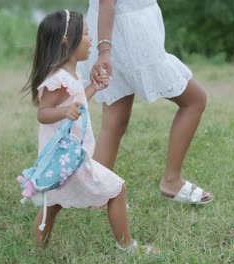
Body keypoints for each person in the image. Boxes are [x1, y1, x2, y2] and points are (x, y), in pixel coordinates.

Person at [22, 10, 154, 253]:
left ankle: (37, 252)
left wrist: (94, 86)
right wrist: (63, 112)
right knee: (117, 189)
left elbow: (77, 99)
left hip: (69, 158)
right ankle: (128, 247)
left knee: (51, 205)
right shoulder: (57, 79)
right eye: (85, 33)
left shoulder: (71, 74)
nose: (91, 38)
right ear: (67, 41)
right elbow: (43, 113)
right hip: (70, 158)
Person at [78, 0, 213, 204]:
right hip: (127, 36)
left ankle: (96, 193)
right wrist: (105, 51)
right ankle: (171, 180)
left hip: (117, 30)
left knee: (114, 122)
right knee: (195, 100)